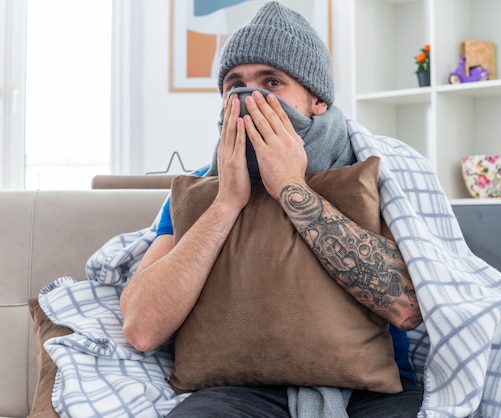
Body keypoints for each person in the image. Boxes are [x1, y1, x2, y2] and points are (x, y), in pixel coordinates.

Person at [120, 2, 423, 416]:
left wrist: (291, 188)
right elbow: (141, 329)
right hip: (238, 392)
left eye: (272, 81)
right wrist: (226, 201)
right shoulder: (198, 188)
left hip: (376, 392)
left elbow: (407, 307)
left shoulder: (374, 173)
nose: (249, 96)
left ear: (317, 98)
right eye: (234, 83)